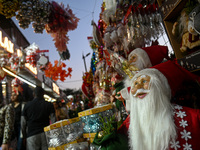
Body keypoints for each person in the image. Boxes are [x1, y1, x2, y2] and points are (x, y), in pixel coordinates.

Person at [118, 60, 200, 150]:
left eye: (144, 81)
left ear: (159, 86)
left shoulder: (193, 118)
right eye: (135, 84)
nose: (138, 87)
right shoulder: (129, 123)